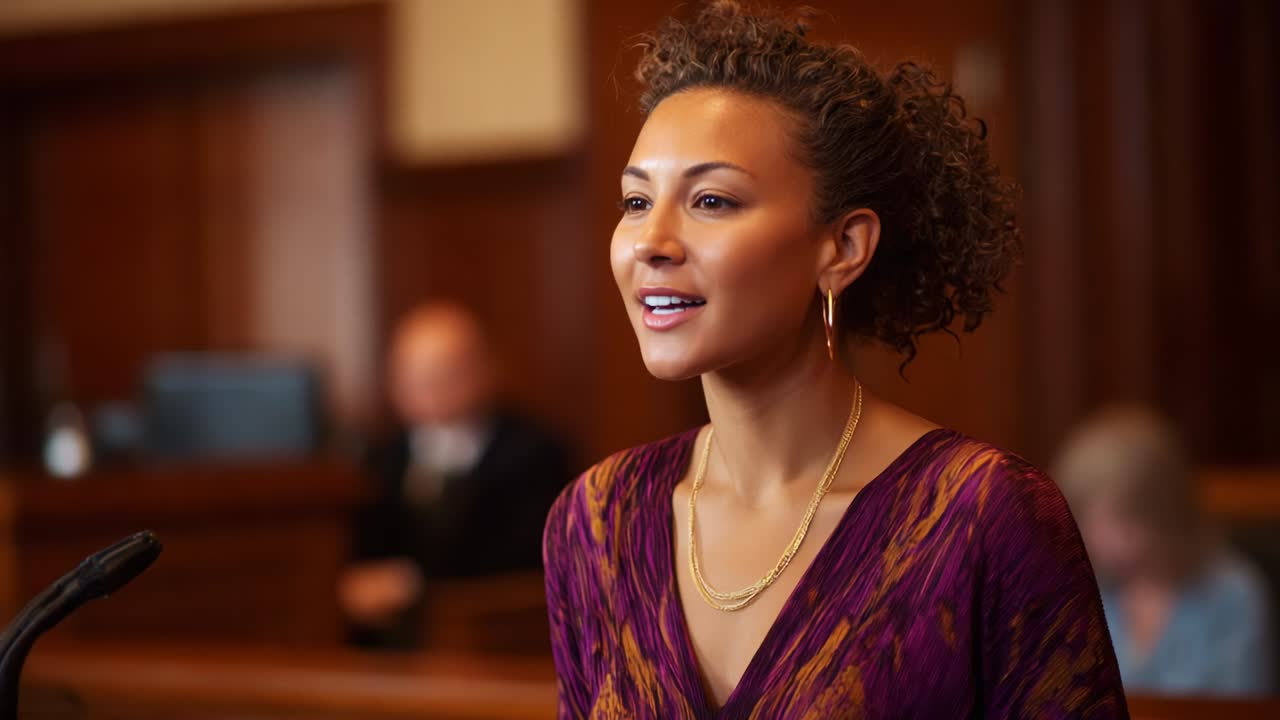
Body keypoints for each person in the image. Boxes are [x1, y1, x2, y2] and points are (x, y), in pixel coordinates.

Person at [541, 2, 1127, 717]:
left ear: (843, 248)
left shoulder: (985, 517)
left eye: (712, 199)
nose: (649, 242)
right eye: (635, 201)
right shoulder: (596, 522)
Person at [342, 302, 571, 649]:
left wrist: (413, 583)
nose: (426, 384)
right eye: (411, 371)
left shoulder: (533, 453)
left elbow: (525, 555)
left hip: (489, 635)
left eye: (444, 370)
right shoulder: (381, 456)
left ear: (487, 368)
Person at [1054, 407, 1274, 696]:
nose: (1099, 539)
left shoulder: (1234, 592)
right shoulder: (1078, 588)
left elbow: (1244, 710)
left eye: (1118, 521)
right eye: (1088, 520)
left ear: (1163, 511)